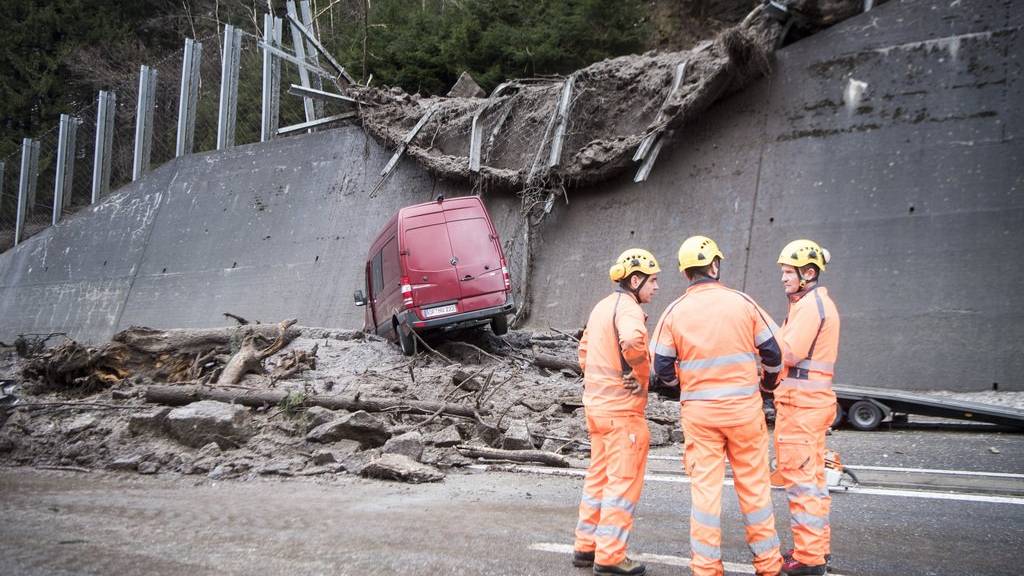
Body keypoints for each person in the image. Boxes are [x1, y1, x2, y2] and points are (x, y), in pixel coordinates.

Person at [650, 235, 784, 576]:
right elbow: (773, 353)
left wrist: (681, 386)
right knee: (754, 487)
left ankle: (707, 567)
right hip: (744, 412)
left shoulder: (674, 311)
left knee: (705, 492)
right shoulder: (743, 303)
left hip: (700, 417)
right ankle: (768, 564)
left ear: (686, 274)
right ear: (715, 266)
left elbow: (661, 365)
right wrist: (767, 385)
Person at [573, 249, 661, 576]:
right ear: (634, 280)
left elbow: (583, 350)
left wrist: (602, 377)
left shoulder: (601, 307)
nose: (656, 287)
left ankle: (586, 546)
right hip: (622, 412)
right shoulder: (628, 309)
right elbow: (634, 341)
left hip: (596, 409)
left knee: (598, 477)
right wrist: (639, 374)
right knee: (622, 484)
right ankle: (610, 556)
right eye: (652, 281)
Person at [770, 240, 840, 576]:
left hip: (802, 408)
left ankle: (808, 559)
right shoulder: (811, 304)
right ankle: (816, 549)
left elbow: (789, 353)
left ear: (808, 273)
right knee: (812, 482)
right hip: (808, 406)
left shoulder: (811, 306)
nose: (783, 278)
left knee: (800, 484)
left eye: (788, 272)